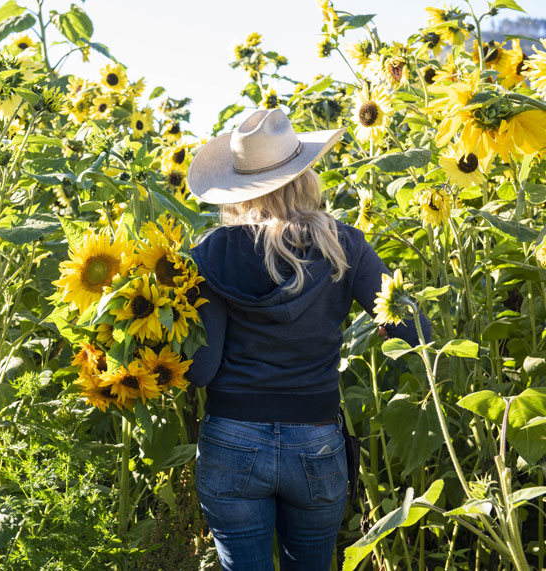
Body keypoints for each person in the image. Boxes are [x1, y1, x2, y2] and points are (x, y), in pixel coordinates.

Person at [184, 108, 432, 571]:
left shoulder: (209, 254)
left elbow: (201, 371)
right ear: (304, 175)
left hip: (232, 439)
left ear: (238, 188)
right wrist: (385, 325)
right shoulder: (344, 244)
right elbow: (416, 331)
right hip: (316, 441)